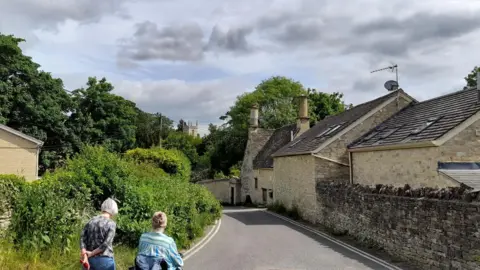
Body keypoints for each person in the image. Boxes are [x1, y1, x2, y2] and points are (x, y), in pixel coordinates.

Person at [80, 198, 118, 270]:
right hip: (105, 261)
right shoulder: (111, 224)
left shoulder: (90, 221)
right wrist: (91, 253)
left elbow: (82, 238)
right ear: (113, 210)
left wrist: (85, 255)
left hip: (89, 261)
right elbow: (105, 245)